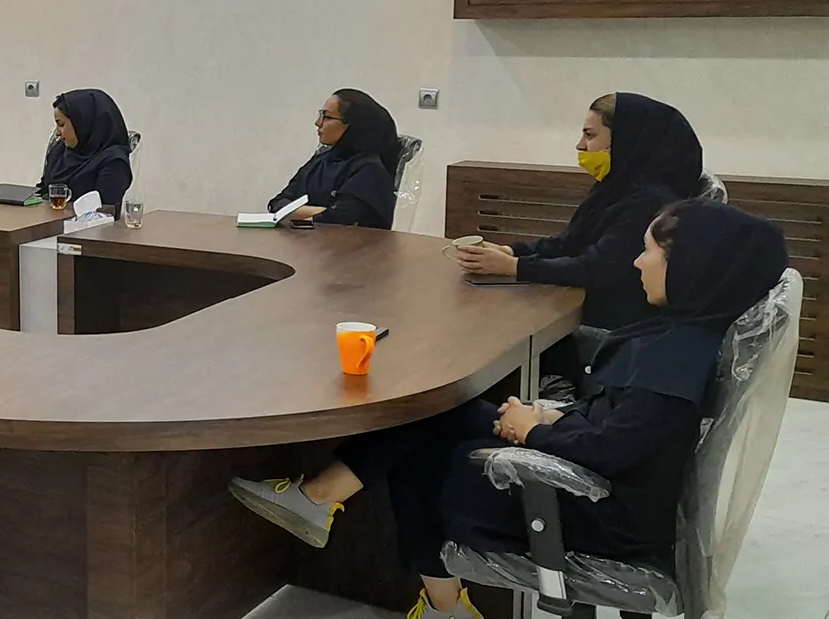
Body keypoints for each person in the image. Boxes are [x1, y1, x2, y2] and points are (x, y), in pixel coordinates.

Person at [229, 199, 787, 619]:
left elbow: (617, 449)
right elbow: (629, 428)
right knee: (441, 412)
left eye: (650, 252)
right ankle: (323, 500)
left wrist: (534, 433)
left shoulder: (676, 357)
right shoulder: (687, 335)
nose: (637, 262)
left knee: (422, 460)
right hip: (600, 479)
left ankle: (421, 585)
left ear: (692, 266)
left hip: (598, 513)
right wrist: (549, 417)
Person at [452, 93, 703, 333]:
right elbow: (570, 243)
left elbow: (595, 268)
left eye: (589, 135)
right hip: (582, 308)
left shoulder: (652, 201)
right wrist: (511, 252)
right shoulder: (617, 185)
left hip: (610, 327)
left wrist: (514, 267)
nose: (580, 145)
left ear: (624, 139)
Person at [268, 89, 401, 229]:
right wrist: (324, 211)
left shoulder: (370, 169)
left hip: (349, 242)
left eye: (327, 117)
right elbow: (277, 203)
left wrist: (294, 213)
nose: (318, 123)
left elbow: (340, 219)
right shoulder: (321, 161)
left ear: (353, 125)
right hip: (309, 240)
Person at [36, 89, 133, 212]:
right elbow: (42, 190)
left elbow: (104, 211)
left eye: (61, 124)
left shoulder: (114, 162)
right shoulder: (59, 151)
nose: (57, 133)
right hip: (45, 221)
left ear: (82, 122)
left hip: (86, 224)